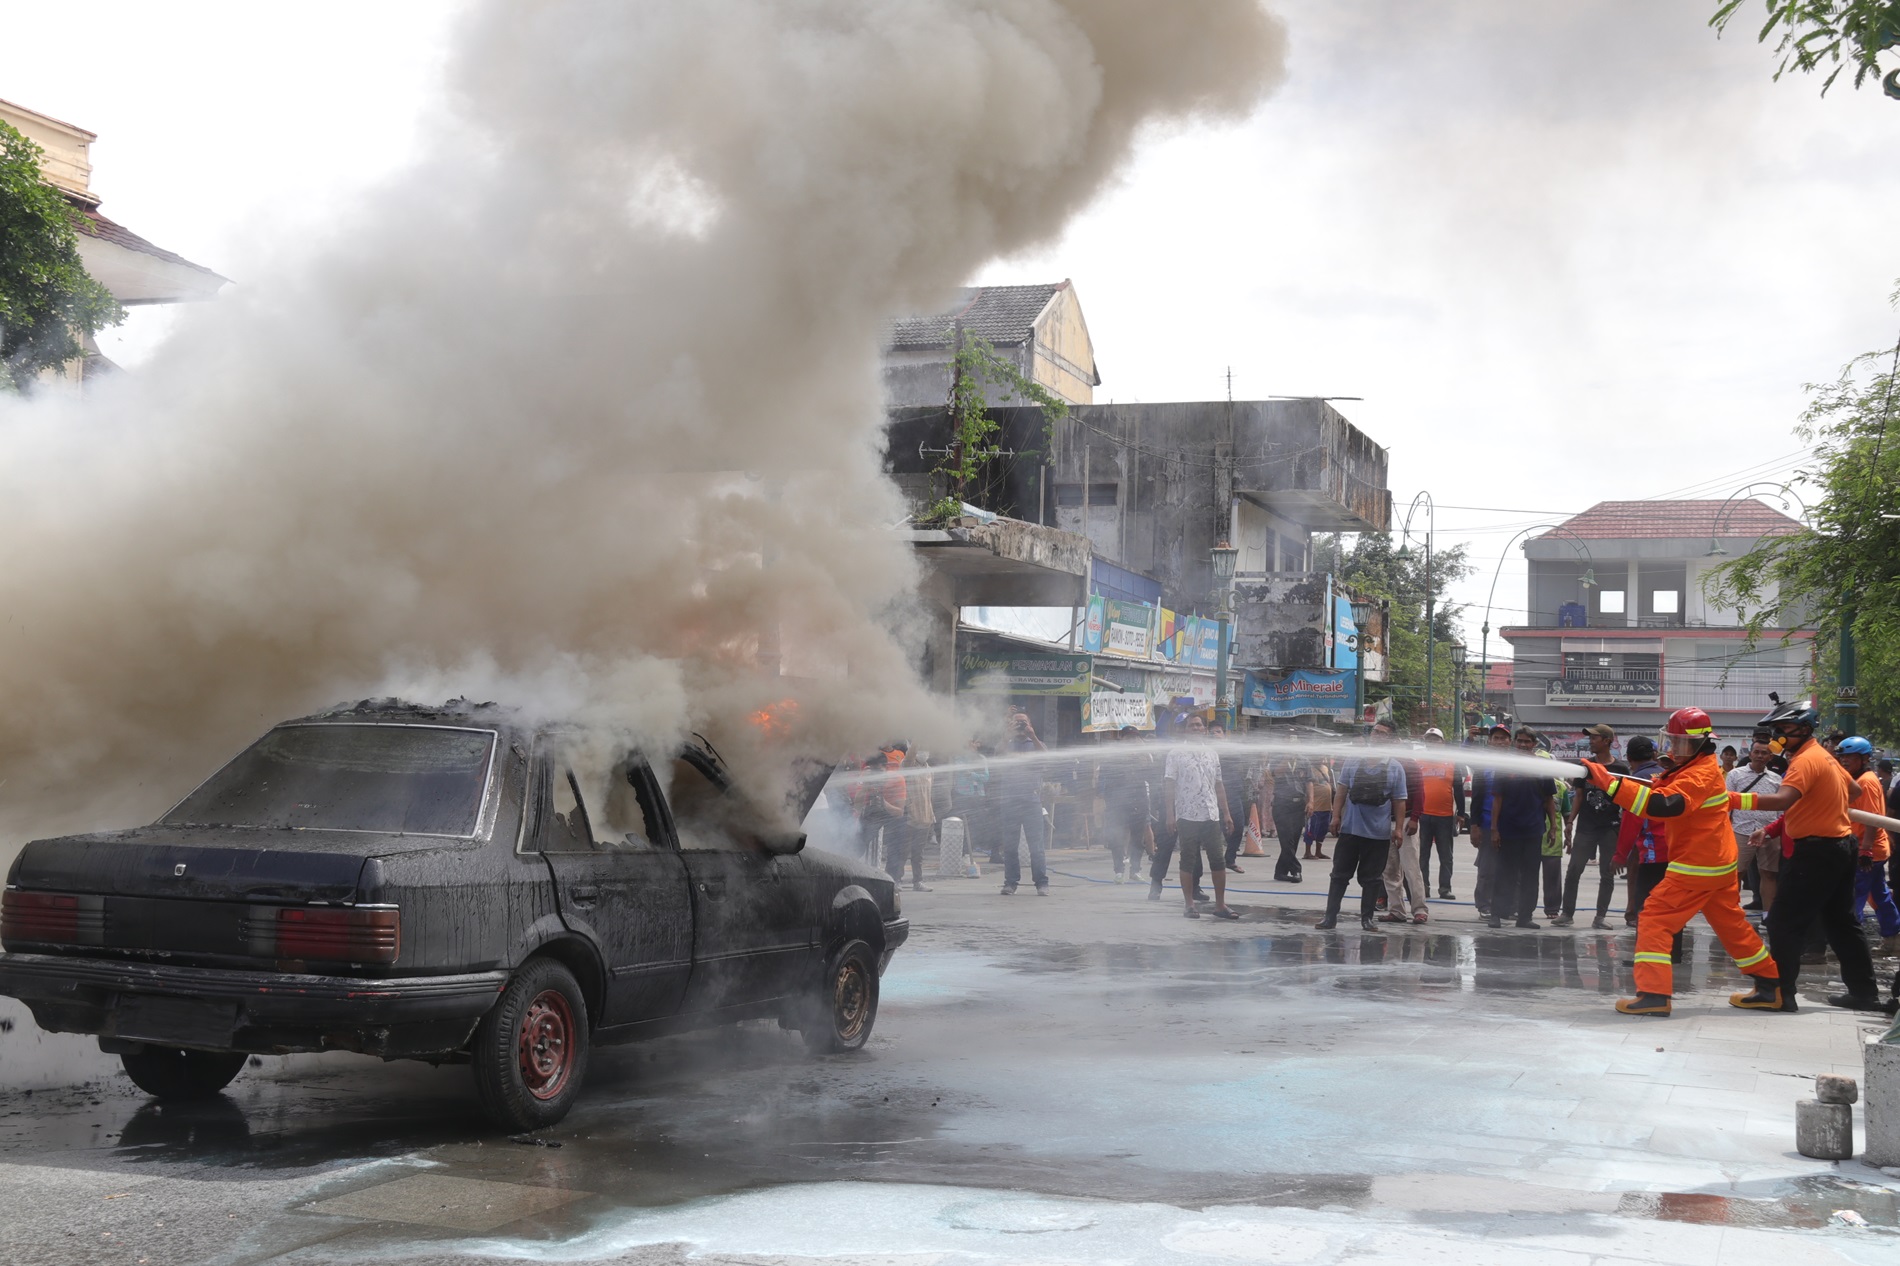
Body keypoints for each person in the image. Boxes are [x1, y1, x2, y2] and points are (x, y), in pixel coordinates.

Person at [1580, 707, 1780, 1017]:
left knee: (1655, 919)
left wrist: (1610, 784)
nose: (1674, 749)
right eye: (1672, 741)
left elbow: (1663, 805)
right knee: (1732, 927)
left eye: (1681, 743)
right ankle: (1769, 986)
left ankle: (1653, 995)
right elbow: (1710, 798)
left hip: (1697, 866)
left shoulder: (1698, 774)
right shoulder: (1698, 769)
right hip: (1718, 863)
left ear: (1702, 743)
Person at [1731, 698, 1880, 1011]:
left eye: (1782, 729)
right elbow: (1852, 791)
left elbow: (1783, 799)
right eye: (1775, 729)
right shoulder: (1824, 757)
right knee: (1842, 922)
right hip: (1840, 846)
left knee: (1783, 922)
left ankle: (1778, 993)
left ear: (1803, 728)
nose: (1777, 735)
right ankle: (1864, 993)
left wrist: (1732, 799)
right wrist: (1820, 803)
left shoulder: (1804, 761)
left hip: (1817, 851)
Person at [1317, 721, 1408, 931]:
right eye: (1375, 731)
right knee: (1339, 875)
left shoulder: (1395, 767)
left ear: (1391, 739)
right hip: (1350, 830)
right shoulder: (1354, 760)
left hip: (1378, 835)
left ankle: (1367, 919)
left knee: (1372, 879)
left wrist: (1398, 829)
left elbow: (1400, 800)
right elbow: (1341, 791)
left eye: (1382, 733)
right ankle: (1330, 918)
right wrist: (1336, 816)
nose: (1376, 736)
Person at [1477, 728, 1558, 929]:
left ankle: (1525, 917)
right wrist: (1494, 829)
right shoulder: (1506, 766)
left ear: (1534, 744)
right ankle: (1496, 914)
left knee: (1530, 876)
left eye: (1527, 742)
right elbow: (1497, 799)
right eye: (1520, 741)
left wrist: (1554, 826)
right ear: (1514, 742)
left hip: (1533, 830)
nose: (1523, 745)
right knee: (1504, 874)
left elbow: (1549, 800)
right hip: (1508, 829)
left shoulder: (1542, 767)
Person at [1164, 713, 1239, 920]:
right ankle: (1189, 905)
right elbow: (1169, 785)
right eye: (1192, 726)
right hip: (1187, 814)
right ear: (1185, 730)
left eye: (1199, 725)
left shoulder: (1212, 754)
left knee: (1217, 859)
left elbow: (1219, 784)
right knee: (1187, 859)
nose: (1196, 728)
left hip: (1211, 814)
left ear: (1204, 729)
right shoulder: (1176, 753)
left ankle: (1220, 905)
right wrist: (1170, 814)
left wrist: (1226, 813)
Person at [1557, 723, 1623, 928]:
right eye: (1590, 738)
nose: (1590, 741)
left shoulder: (1621, 769)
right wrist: (1570, 822)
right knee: (1574, 870)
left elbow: (1626, 801)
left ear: (1607, 741)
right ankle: (1567, 913)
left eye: (1594, 738)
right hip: (1585, 827)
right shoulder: (1584, 766)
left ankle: (1600, 917)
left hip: (1609, 828)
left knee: (1607, 873)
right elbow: (1578, 795)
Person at [1837, 737, 1900, 949]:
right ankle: (1893, 935)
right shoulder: (1860, 779)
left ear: (1863, 759)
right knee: (1879, 894)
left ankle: (1849, 942)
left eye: (1850, 757)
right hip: (1871, 848)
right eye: (1843, 756)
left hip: (1869, 849)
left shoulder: (1866, 781)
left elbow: (1872, 818)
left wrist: (1865, 850)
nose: (1845, 761)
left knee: (1855, 895)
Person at [1612, 736, 1670, 934]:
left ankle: (1646, 956)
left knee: (1645, 906)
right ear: (1654, 755)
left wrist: (1620, 856)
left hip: (1653, 853)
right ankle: (1672, 954)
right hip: (1675, 850)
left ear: (1628, 758)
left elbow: (1631, 821)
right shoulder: (1667, 775)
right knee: (1669, 905)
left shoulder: (1636, 781)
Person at [994, 710, 1049, 896]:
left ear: (1030, 724)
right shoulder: (1006, 744)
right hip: (1009, 801)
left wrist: (1033, 736)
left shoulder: (1036, 744)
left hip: (1031, 801)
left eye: (1023, 722)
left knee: (1037, 847)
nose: (1020, 725)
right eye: (1016, 722)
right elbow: (997, 757)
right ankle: (1010, 883)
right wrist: (1006, 735)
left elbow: (1045, 760)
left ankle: (1041, 883)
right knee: (1010, 846)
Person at [1727, 738, 1781, 913]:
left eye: (1764, 753)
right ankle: (1730, 912)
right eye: (1756, 752)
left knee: (1769, 873)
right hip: (1741, 830)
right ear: (1750, 754)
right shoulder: (1735, 775)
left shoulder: (1776, 779)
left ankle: (1769, 916)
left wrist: (1777, 830)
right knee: (1736, 873)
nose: (1759, 756)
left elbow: (1781, 807)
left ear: (1770, 757)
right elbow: (1726, 803)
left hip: (1769, 832)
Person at [1412, 728, 1466, 901]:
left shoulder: (1451, 762)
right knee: (1422, 854)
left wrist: (1461, 814)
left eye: (1436, 739)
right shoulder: (1418, 762)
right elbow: (1412, 789)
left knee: (1446, 854)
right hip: (1423, 815)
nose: (1432, 742)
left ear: (1442, 742)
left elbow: (1458, 789)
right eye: (1429, 740)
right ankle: (1424, 887)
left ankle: (1445, 888)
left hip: (1444, 816)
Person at [1100, 726, 1154, 884]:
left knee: (1137, 838)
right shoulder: (1113, 756)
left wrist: (1142, 755)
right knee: (1116, 837)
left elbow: (1151, 775)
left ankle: (1135, 870)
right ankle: (1118, 871)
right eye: (1128, 737)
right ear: (1122, 739)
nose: (1132, 740)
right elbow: (1106, 778)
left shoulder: (1143, 755)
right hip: (1117, 802)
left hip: (1139, 801)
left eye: (1134, 737)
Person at [1470, 725, 1513, 918]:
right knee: (1487, 868)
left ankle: (1507, 906)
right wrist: (1474, 826)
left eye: (1504, 738)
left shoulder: (1516, 764)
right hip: (1487, 824)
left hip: (1511, 825)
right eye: (1496, 738)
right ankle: (1484, 905)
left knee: (1510, 869)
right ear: (1489, 741)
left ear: (1509, 742)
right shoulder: (1482, 765)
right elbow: (1477, 797)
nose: (1500, 742)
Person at [889, 744, 935, 892]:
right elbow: (911, 753)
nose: (924, 753)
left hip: (925, 815)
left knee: (918, 853)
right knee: (903, 850)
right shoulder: (908, 764)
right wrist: (918, 736)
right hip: (910, 814)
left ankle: (918, 881)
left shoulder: (929, 769)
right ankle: (897, 880)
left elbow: (928, 794)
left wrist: (931, 813)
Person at [1210, 722, 1253, 874]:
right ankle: (1218, 861)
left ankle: (1230, 859)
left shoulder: (1230, 750)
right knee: (1218, 828)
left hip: (1233, 793)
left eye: (1218, 732)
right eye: (1212, 732)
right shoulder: (1207, 752)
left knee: (1238, 826)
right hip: (1213, 796)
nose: (1215, 735)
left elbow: (1242, 760)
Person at [1264, 749, 1308, 883]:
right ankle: (1296, 870)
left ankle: (1280, 872)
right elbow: (1276, 773)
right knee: (1286, 839)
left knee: (1293, 840)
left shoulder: (1303, 760)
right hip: (1282, 805)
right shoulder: (1277, 759)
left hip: (1299, 805)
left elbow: (1309, 781)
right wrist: (1286, 758)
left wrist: (1311, 801)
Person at [951, 737, 991, 865]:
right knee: (961, 825)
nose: (971, 744)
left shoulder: (982, 759)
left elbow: (986, 777)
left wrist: (973, 775)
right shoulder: (959, 758)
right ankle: (960, 853)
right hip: (962, 795)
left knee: (975, 826)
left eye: (974, 742)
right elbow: (961, 771)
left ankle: (968, 853)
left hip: (978, 795)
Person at [1303, 760, 1334, 862]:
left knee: (1323, 829)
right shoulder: (1309, 769)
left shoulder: (1325, 768)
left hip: (1326, 806)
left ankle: (1318, 851)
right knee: (1311, 829)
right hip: (1316, 806)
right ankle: (1307, 852)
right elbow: (1307, 787)